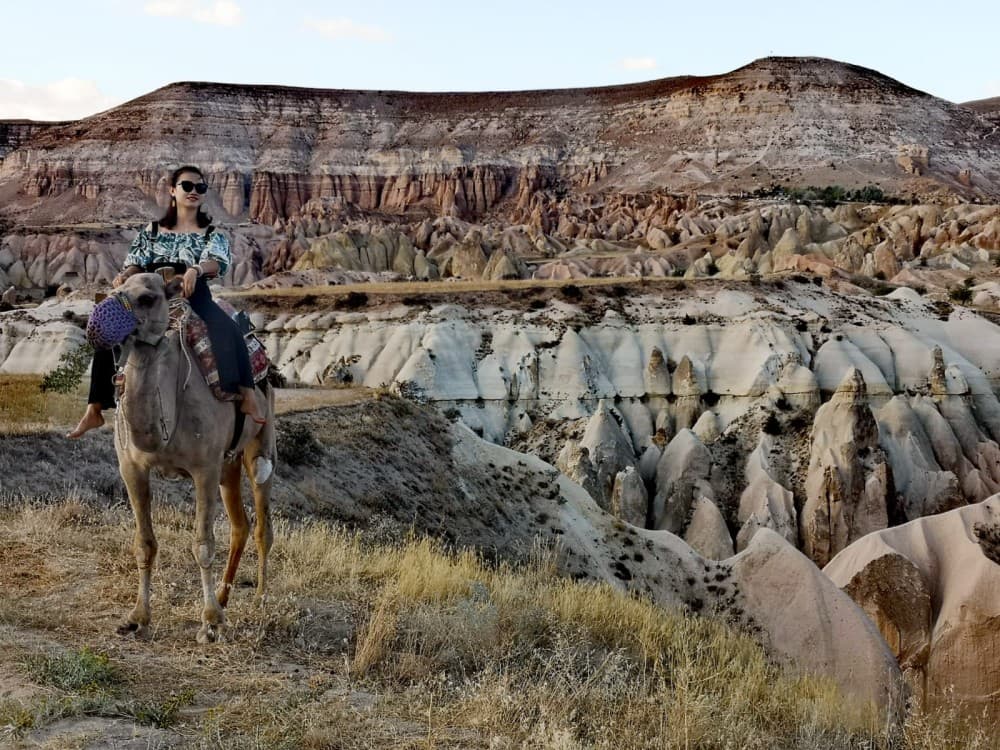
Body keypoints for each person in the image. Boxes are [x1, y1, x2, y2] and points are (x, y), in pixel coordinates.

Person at [68, 165, 264, 438]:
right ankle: (95, 408)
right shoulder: (152, 231)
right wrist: (125, 276)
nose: (194, 191)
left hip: (193, 296)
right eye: (187, 186)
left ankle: (247, 393)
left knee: (228, 328)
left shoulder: (210, 234)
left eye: (200, 187)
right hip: (150, 299)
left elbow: (217, 262)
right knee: (107, 323)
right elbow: (136, 263)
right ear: (173, 190)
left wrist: (196, 270)